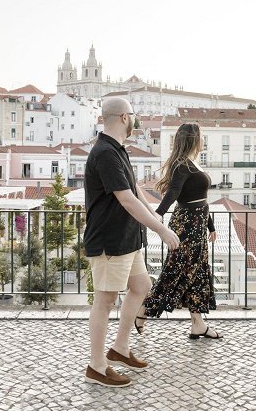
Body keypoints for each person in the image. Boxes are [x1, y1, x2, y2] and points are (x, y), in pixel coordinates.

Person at [83, 97, 180, 387]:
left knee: (141, 286)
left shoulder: (117, 149)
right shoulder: (105, 153)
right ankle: (97, 366)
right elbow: (125, 199)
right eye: (134, 115)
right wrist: (160, 231)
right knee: (105, 300)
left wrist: (155, 217)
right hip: (109, 240)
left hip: (127, 238)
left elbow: (135, 189)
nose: (136, 119)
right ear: (125, 117)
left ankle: (120, 349)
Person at [137, 122, 222, 339]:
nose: (203, 140)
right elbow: (174, 192)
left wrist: (210, 225)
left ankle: (198, 324)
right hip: (187, 226)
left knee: (197, 274)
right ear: (194, 139)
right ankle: (144, 309)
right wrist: (158, 215)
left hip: (197, 225)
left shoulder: (191, 163)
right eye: (201, 136)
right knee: (177, 271)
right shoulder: (181, 165)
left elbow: (201, 199)